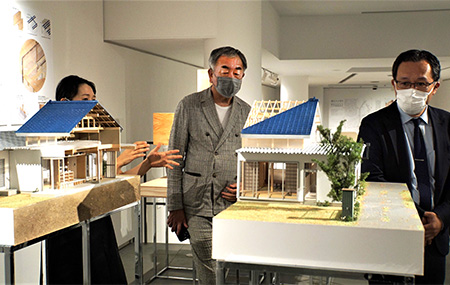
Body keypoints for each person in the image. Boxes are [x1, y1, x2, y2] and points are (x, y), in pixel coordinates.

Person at [47, 75, 181, 284]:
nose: (92, 105)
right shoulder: (52, 139)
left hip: (97, 220)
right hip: (68, 226)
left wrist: (146, 164)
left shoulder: (92, 136)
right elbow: (75, 181)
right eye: (85, 99)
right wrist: (116, 163)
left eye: (94, 99)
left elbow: (111, 181)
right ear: (65, 102)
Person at [358, 50, 450, 284]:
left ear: (435, 86)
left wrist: (438, 219)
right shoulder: (373, 125)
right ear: (394, 84)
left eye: (421, 83)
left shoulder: (448, 124)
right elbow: (372, 178)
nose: (412, 90)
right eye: (405, 83)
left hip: (435, 238)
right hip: (391, 237)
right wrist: (415, 219)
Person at [166, 46, 251, 284]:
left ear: (243, 75)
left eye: (237, 71)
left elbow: (253, 159)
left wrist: (244, 187)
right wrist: (175, 205)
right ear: (211, 74)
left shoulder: (246, 111)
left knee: (229, 261)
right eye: (225, 69)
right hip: (197, 201)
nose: (231, 75)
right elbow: (174, 157)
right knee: (207, 260)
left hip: (231, 202)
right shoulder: (190, 105)